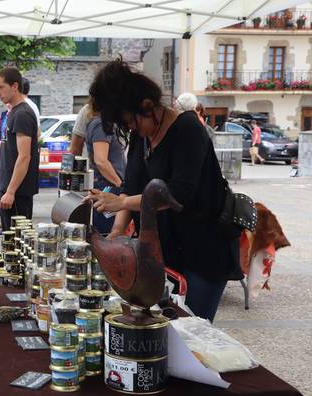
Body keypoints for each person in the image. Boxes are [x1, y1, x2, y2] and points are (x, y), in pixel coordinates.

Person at [85, 59, 238, 322]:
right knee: (165, 326)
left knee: (193, 330)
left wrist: (120, 204)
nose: (131, 128)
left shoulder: (188, 129)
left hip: (205, 251)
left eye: (131, 120)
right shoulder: (141, 135)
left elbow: (177, 194)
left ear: (147, 105)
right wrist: (117, 233)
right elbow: (129, 187)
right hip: (168, 251)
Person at [0, 67, 40, 230]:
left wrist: (11, 191)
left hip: (17, 193)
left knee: (18, 244)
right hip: (6, 187)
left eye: (0, 87)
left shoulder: (22, 113)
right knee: (10, 243)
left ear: (14, 86)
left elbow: (24, 156)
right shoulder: (13, 111)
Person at [84, 102, 126, 235]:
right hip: (108, 186)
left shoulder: (99, 122)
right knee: (107, 234)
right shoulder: (101, 124)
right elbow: (101, 161)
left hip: (107, 184)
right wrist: (120, 185)